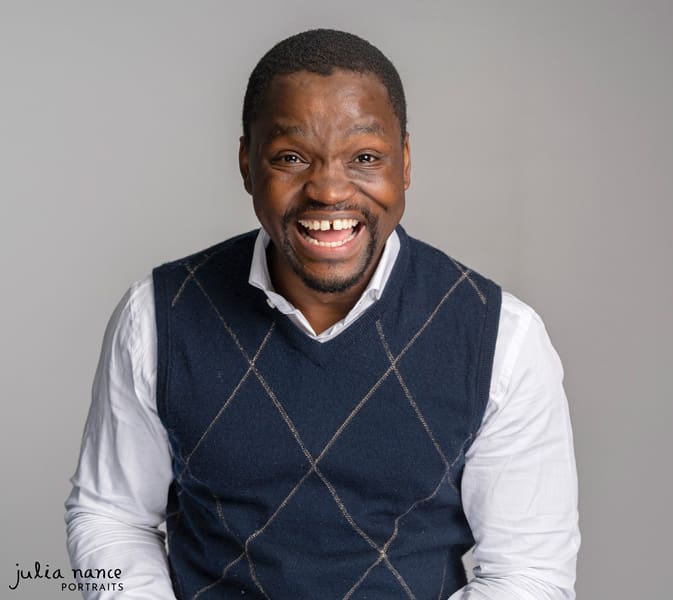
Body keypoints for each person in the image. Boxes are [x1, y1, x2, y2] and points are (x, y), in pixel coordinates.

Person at [65, 29, 579, 599]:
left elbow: (528, 574)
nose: (329, 190)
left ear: (404, 162)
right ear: (245, 163)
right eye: (291, 157)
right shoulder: (156, 318)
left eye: (364, 157)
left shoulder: (500, 337)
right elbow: (111, 517)